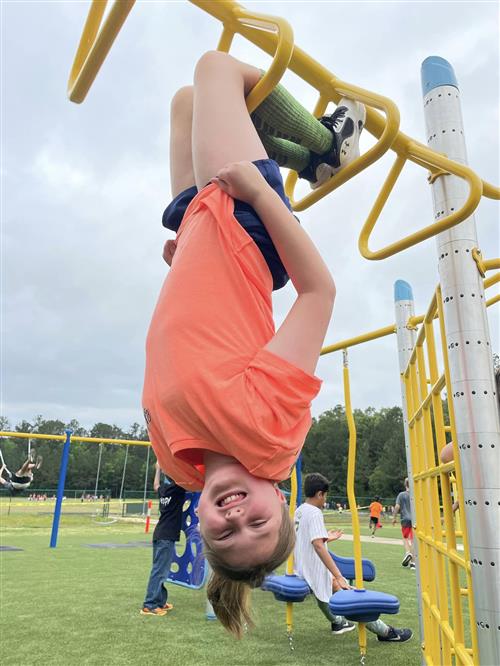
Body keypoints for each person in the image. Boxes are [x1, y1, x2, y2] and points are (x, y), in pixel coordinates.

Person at [142, 49, 365, 638]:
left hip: (199, 232)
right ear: (280, 501)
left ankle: (313, 155)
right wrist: (263, 196)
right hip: (245, 224)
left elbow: (189, 339)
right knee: (217, 70)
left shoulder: (176, 461)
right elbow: (318, 293)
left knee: (187, 104)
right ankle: (324, 146)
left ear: (202, 527)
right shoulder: (267, 435)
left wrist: (184, 264)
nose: (237, 518)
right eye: (259, 525)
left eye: (224, 534)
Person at [294, 473, 413, 642]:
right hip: (314, 570)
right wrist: (338, 575)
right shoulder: (314, 513)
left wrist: (325, 537)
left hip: (303, 568)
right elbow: (318, 546)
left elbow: (307, 538)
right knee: (352, 599)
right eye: (325, 496)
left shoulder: (300, 510)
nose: (325, 500)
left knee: (326, 595)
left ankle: (338, 623)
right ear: (320, 494)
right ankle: (387, 633)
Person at [140, 463, 186, 616]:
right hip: (166, 536)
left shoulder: (165, 490)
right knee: (159, 570)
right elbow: (185, 480)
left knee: (161, 569)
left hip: (160, 534)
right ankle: (149, 604)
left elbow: (155, 485)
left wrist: (159, 468)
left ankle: (160, 601)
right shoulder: (177, 488)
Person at [393, 478, 416, 569]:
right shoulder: (414, 495)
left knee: (405, 538)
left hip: (405, 519)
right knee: (413, 540)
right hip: (414, 519)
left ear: (405, 485)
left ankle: (408, 552)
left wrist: (394, 517)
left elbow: (397, 506)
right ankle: (413, 563)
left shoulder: (401, 495)